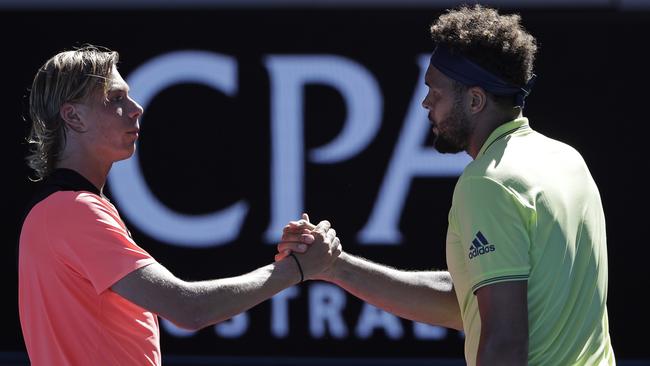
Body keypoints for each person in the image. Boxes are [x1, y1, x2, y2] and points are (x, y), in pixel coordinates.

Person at [277, 5, 615, 365]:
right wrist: (335, 267)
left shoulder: (489, 183)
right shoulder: (567, 160)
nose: (425, 103)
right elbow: (469, 303)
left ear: (474, 100)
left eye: (435, 93)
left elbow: (504, 345)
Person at [18, 44, 340, 365]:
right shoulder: (74, 211)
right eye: (115, 99)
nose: (136, 108)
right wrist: (295, 270)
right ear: (73, 116)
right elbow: (189, 309)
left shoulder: (63, 210)